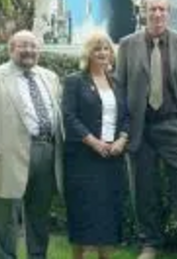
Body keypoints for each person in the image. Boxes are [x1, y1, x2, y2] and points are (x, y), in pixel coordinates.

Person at [117, 0, 177, 259]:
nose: (157, 14)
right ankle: (150, 244)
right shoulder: (127, 45)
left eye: (162, 9)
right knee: (144, 188)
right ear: (143, 12)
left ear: (169, 13)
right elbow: (120, 88)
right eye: (152, 9)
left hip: (174, 125)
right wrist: (124, 128)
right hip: (140, 129)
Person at [0, 30, 63, 259]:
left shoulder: (50, 77)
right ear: (11, 49)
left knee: (39, 216)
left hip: (47, 153)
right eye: (23, 46)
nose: (29, 51)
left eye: (33, 46)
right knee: (4, 221)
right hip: (6, 158)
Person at [62, 31, 129, 259]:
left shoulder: (118, 82)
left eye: (106, 48)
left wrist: (122, 138)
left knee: (108, 212)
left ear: (112, 53)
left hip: (112, 157)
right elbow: (69, 117)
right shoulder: (74, 81)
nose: (102, 53)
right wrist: (93, 142)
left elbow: (127, 116)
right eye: (97, 49)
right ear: (88, 54)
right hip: (83, 157)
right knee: (83, 211)